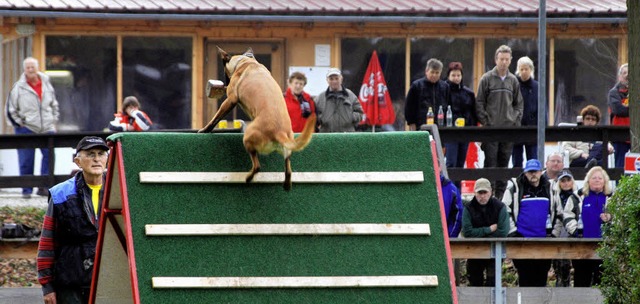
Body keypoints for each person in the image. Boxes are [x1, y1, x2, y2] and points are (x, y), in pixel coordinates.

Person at [37, 136, 109, 304]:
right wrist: (47, 286)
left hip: (108, 282)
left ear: (108, 159)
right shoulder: (60, 194)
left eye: (101, 153)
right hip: (70, 284)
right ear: (78, 161)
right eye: (90, 154)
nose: (97, 159)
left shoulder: (119, 192)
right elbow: (47, 242)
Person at [5, 57, 60, 198]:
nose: (30, 70)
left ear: (37, 68)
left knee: (49, 158)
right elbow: (10, 110)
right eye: (28, 67)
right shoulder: (18, 87)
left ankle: (44, 188)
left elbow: (54, 104)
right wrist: (19, 123)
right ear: (24, 69)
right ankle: (26, 190)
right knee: (26, 160)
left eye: (32, 67)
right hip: (26, 128)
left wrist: (53, 120)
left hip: (47, 128)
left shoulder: (47, 83)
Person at [475, 45, 524, 199]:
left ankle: (501, 199)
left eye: (506, 59)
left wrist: (514, 121)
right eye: (501, 59)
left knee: (504, 165)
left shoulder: (513, 81)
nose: (503, 62)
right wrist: (486, 122)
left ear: (510, 61)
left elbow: (518, 104)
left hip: (508, 130)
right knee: (490, 164)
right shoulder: (486, 79)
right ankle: (487, 196)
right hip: (490, 130)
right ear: (496, 60)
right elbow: (479, 102)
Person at [502, 159, 552, 286]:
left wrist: (554, 234)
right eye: (530, 172)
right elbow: (505, 211)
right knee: (525, 279)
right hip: (522, 241)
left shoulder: (549, 188)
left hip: (544, 242)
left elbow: (558, 212)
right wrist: (513, 232)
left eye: (535, 171)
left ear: (541, 172)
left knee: (541, 279)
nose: (533, 174)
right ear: (525, 173)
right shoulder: (515, 187)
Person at [567, 166, 612, 287]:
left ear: (604, 181)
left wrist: (610, 218)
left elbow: (621, 218)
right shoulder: (577, 197)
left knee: (603, 282)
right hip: (582, 247)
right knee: (581, 281)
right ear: (588, 181)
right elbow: (568, 216)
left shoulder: (612, 198)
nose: (597, 180)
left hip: (604, 247)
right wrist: (576, 231)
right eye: (594, 178)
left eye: (600, 178)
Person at [462, 178, 510, 286]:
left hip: (495, 250)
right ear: (475, 193)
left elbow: (503, 232)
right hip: (474, 252)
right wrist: (489, 229)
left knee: (493, 282)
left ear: (491, 192)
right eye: (479, 193)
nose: (482, 196)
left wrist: (478, 233)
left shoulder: (500, 207)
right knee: (474, 281)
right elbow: (467, 233)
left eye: (485, 192)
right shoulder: (469, 208)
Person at [549, 169, 580, 287]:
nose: (566, 183)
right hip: (559, 231)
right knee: (560, 264)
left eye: (568, 180)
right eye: (563, 181)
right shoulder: (555, 197)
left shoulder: (579, 195)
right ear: (559, 183)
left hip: (575, 232)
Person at [444, 62, 477, 170]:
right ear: (448, 76)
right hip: (450, 132)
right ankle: (449, 187)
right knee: (451, 163)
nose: (456, 78)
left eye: (458, 75)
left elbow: (473, 112)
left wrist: (472, 128)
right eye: (453, 75)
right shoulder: (443, 91)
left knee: (460, 164)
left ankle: (457, 187)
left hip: (464, 132)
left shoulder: (468, 93)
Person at [404, 58, 450, 131]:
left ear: (440, 73)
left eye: (437, 73)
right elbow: (409, 108)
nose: (434, 75)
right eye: (432, 72)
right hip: (421, 127)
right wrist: (412, 124)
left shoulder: (445, 87)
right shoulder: (417, 86)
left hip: (440, 127)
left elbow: (448, 105)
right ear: (426, 71)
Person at [315, 68, 364, 132]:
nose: (334, 81)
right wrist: (322, 118)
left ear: (341, 79)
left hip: (347, 136)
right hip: (326, 136)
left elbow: (360, 113)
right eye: (331, 79)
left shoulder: (350, 95)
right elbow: (314, 115)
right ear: (327, 80)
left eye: (336, 78)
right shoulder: (320, 98)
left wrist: (350, 117)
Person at [512, 56, 539, 167]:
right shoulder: (514, 85)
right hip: (517, 128)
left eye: (526, 69)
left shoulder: (537, 86)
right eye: (521, 69)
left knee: (533, 161)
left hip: (532, 128)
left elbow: (542, 107)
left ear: (531, 70)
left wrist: (543, 126)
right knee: (517, 161)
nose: (523, 72)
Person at [608, 63, 629, 168]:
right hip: (620, 137)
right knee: (620, 169)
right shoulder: (614, 93)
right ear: (620, 76)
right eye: (624, 73)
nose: (627, 75)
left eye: (629, 73)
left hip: (636, 136)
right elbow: (618, 110)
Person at [441, 173, 463, 238]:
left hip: (447, 236)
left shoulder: (451, 189)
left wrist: (451, 236)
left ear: (439, 168)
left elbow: (458, 213)